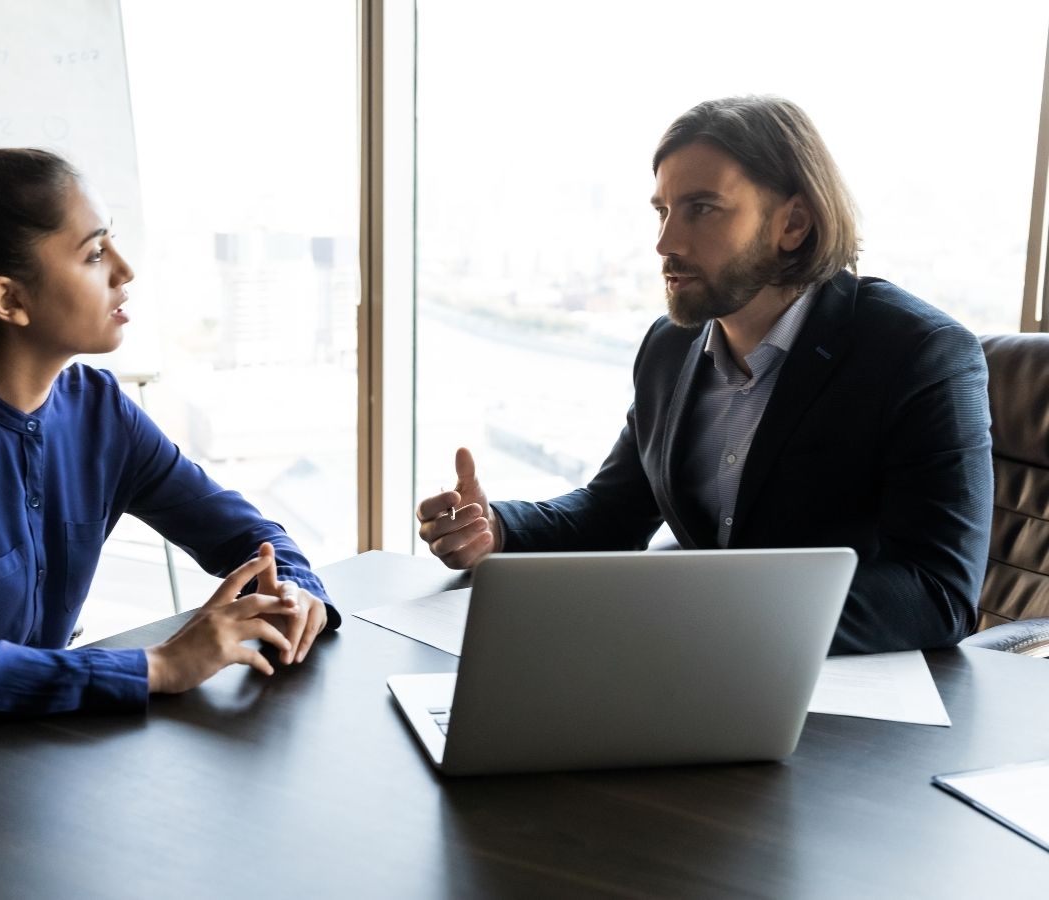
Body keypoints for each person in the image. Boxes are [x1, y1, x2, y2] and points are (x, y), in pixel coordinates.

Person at [416, 96, 993, 655]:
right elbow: (613, 513)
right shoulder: (671, 348)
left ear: (793, 222)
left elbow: (937, 593)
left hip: (854, 705)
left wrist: (708, 614)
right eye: (663, 211)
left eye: (702, 209)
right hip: (696, 674)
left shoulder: (920, 354)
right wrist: (495, 529)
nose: (666, 243)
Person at [0, 149, 338, 737]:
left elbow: (252, 537)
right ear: (10, 301)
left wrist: (298, 595)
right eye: (96, 252)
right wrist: (157, 666)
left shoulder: (100, 412)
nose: (124, 270)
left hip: (7, 758)